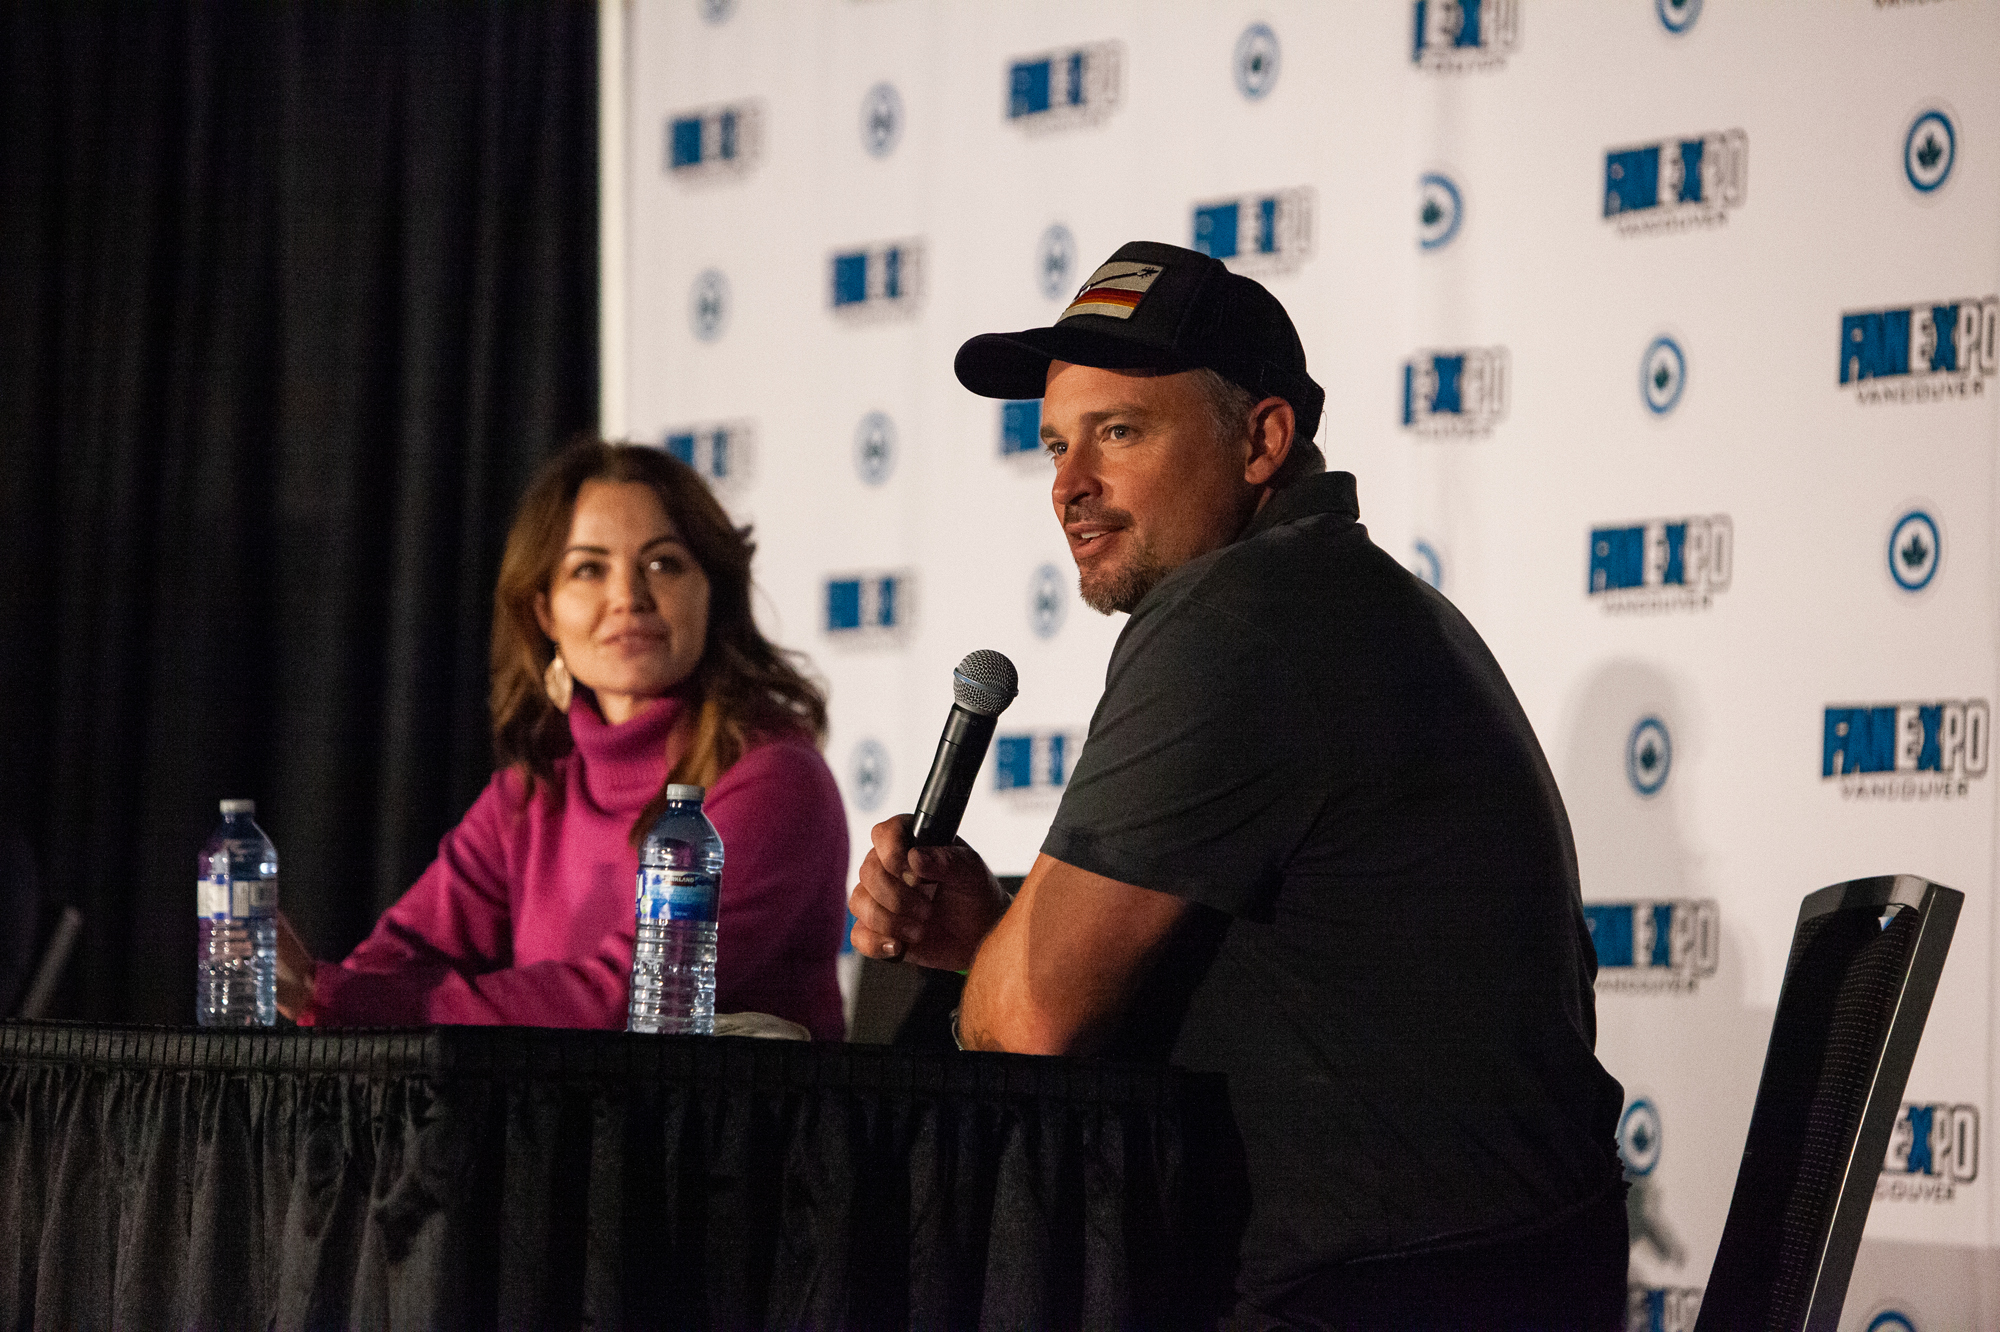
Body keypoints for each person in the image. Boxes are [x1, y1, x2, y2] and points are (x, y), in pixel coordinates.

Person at [847, 242, 1629, 1328]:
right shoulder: (1340, 593)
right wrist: (999, 928)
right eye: (1055, 446)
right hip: (1490, 1271)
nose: (1069, 486)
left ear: (1260, 439)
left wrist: (1001, 958)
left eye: (1117, 432)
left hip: (1388, 1294)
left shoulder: (1238, 619)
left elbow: (1030, 1024)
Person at [276, 439, 850, 1040]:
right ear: (545, 612)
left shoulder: (776, 778)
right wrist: (340, 993)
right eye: (588, 569)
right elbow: (397, 960)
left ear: (714, 591)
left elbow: (625, 999)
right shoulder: (530, 795)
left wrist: (341, 996)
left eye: (663, 563)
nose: (628, 597)